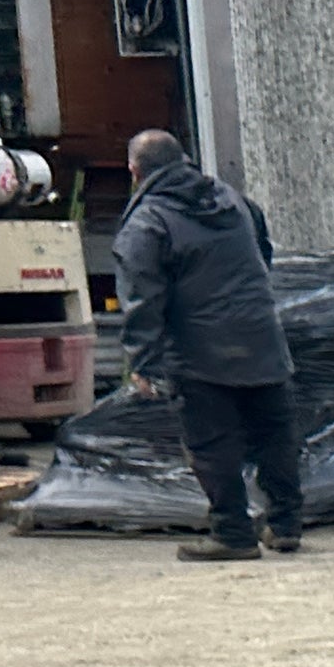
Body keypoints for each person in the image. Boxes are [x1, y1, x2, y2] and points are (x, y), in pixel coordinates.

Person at [112, 129, 301, 560]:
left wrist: (144, 361)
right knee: (276, 435)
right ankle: (286, 525)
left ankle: (232, 534)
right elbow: (263, 253)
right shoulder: (233, 200)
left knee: (213, 444)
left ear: (134, 171)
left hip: (201, 354)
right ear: (185, 159)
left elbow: (143, 296)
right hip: (262, 339)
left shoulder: (148, 222)